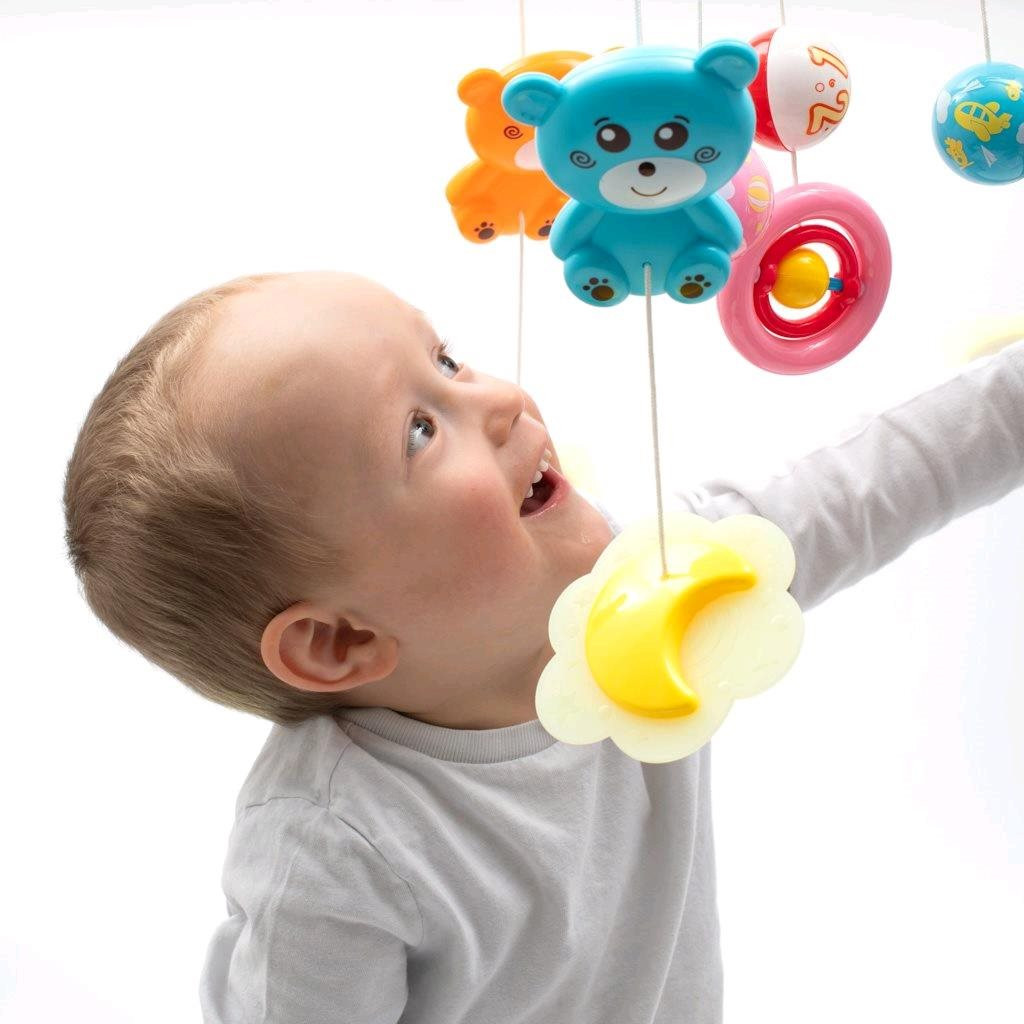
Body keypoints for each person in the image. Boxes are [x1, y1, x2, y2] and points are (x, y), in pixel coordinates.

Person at [62, 270, 1024, 1022]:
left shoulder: (661, 583)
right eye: (419, 431)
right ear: (338, 640)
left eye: (447, 360)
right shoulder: (334, 849)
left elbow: (875, 480)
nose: (501, 402)